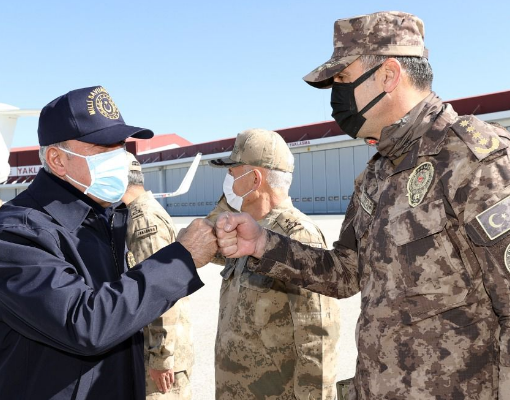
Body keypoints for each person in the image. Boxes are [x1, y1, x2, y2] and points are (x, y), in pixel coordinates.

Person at [214, 11, 510, 400]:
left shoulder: (475, 160)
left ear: (388, 75)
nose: (336, 97)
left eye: (342, 79)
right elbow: (346, 272)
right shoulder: (377, 173)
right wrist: (262, 244)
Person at [0, 85, 217, 400]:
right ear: (57, 160)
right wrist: (181, 260)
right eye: (102, 148)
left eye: (120, 146)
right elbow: (85, 324)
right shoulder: (15, 233)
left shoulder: (102, 217)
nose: (119, 158)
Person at [206, 128, 339, 399]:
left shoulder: (297, 236)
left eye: (232, 173)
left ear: (254, 179)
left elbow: (318, 338)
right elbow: (204, 243)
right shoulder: (249, 229)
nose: (227, 182)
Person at [122, 152, 194, 400]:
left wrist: (161, 356)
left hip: (160, 356)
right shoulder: (140, 211)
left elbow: (162, 289)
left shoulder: (142, 219)